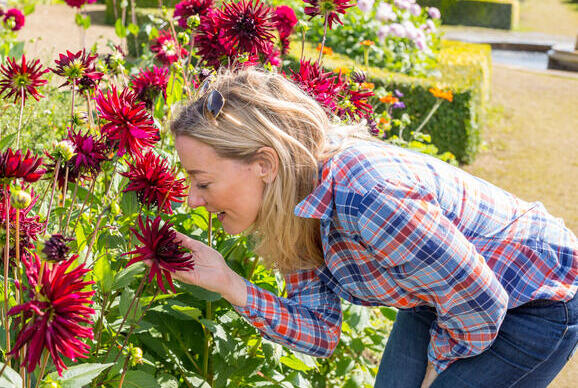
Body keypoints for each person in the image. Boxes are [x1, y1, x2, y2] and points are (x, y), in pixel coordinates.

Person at [167, 68, 578, 388]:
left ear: (265, 164)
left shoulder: (367, 196)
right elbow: (321, 332)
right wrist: (226, 281)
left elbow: (482, 304)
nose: (193, 198)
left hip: (534, 297)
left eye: (202, 182)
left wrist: (436, 371)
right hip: (442, 298)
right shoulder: (294, 204)